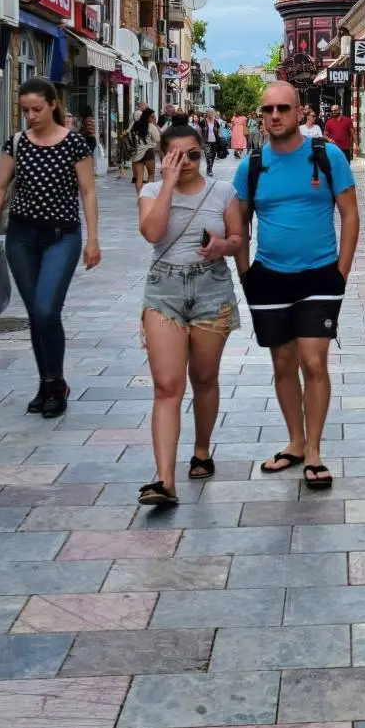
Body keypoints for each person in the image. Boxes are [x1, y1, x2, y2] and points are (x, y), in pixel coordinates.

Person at [233, 82, 358, 490]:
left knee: (313, 361)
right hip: (268, 276)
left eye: (283, 108)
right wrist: (244, 271)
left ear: (299, 111)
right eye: (268, 109)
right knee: (283, 364)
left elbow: (350, 215)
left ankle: (316, 451)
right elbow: (239, 218)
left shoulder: (326, 155)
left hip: (320, 274)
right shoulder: (250, 165)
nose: (275, 116)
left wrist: (341, 271)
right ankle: (296, 442)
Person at [135, 124, 244, 507]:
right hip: (164, 290)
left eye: (194, 154)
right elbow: (151, 232)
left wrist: (222, 246)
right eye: (177, 156)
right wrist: (165, 183)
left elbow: (238, 239)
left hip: (211, 288)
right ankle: (165, 480)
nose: (187, 163)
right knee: (167, 386)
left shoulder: (223, 192)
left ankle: (201, 448)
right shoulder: (150, 191)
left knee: (204, 377)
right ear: (165, 157)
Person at [0, 76, 100, 418]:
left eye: (37, 109)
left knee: (47, 309)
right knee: (36, 313)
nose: (31, 116)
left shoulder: (74, 144)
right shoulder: (16, 143)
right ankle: (46, 382)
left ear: (52, 105)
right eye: (25, 110)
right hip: (22, 237)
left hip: (63, 236)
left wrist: (93, 239)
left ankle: (57, 381)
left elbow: (88, 192)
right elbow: (0, 187)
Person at [130, 107, 160, 195]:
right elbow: (158, 139)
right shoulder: (151, 126)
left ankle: (140, 196)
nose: (154, 118)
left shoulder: (135, 126)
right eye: (152, 117)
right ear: (147, 117)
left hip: (137, 153)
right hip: (148, 152)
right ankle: (148, 196)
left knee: (139, 177)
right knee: (151, 175)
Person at [200, 108, 221, 175]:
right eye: (209, 113)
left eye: (211, 113)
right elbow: (200, 130)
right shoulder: (203, 121)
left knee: (213, 156)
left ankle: (209, 167)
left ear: (213, 114)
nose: (210, 114)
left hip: (214, 141)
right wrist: (201, 140)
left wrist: (219, 138)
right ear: (206, 113)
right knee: (208, 155)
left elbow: (219, 130)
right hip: (206, 141)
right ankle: (209, 170)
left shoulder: (216, 122)